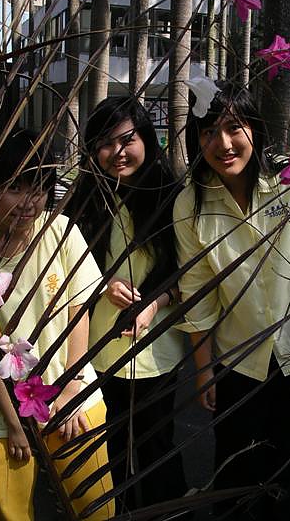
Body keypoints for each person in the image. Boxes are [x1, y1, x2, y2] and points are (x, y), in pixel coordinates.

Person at [173, 81, 290, 520]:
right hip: (237, 363)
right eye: (209, 131)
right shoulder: (191, 203)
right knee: (234, 475)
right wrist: (204, 370)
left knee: (287, 478)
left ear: (255, 128)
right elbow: (197, 292)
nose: (223, 143)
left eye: (235, 127)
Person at [0, 130, 115, 521]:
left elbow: (78, 309)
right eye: (15, 188)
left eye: (39, 189)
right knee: (12, 514)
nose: (28, 202)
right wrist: (14, 422)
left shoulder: (60, 231)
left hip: (73, 397)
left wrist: (71, 389)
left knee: (96, 509)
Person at [66, 96, 187, 512]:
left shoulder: (173, 197)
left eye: (127, 140)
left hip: (155, 351)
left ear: (146, 139)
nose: (117, 152)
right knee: (109, 448)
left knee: (156, 446)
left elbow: (188, 271)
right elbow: (66, 262)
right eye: (105, 143)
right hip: (96, 346)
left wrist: (153, 303)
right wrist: (103, 284)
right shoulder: (86, 198)